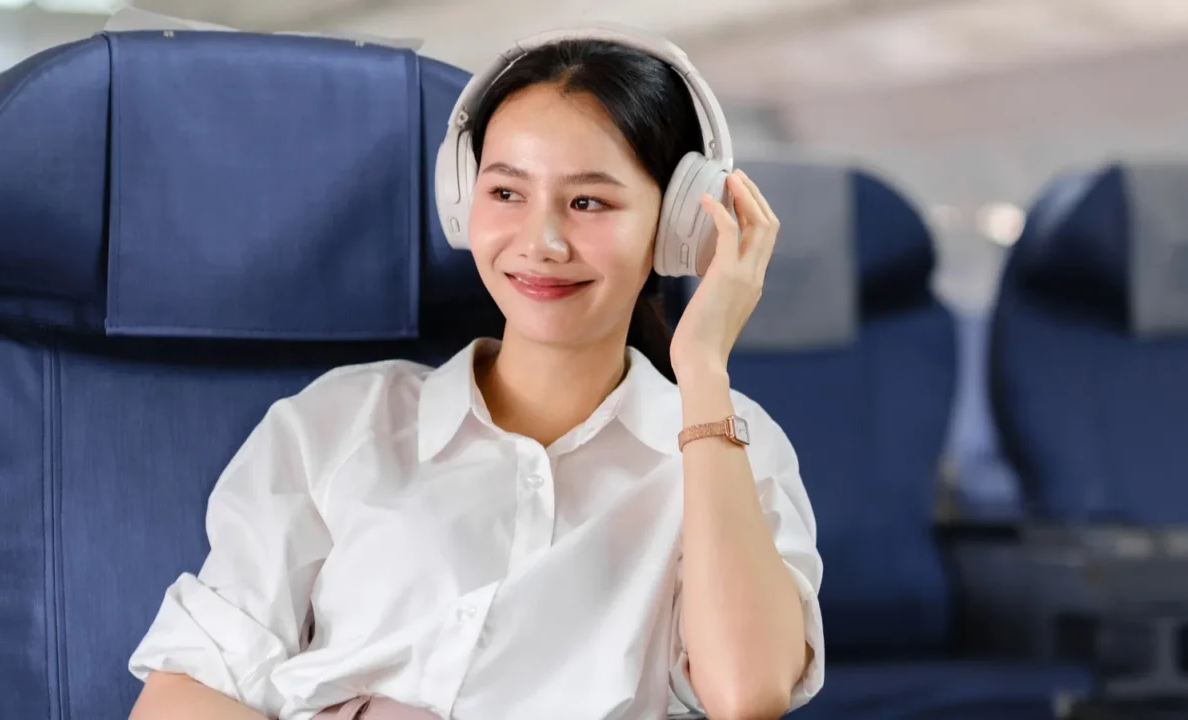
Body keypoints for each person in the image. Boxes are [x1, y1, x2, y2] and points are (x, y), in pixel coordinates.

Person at [127, 28, 823, 720]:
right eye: (506, 193)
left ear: (675, 225)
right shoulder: (340, 422)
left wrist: (702, 368)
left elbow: (745, 693)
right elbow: (181, 694)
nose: (541, 243)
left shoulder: (731, 450)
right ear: (465, 202)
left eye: (589, 202)